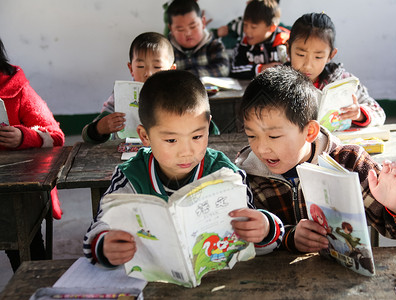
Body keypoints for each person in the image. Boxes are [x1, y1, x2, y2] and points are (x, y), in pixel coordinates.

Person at [83, 70, 283, 267]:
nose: (186, 152)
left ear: (208, 126)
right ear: (145, 136)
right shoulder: (130, 177)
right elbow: (96, 231)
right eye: (171, 140)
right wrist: (105, 246)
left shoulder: (226, 174)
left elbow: (253, 236)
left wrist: (265, 229)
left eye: (197, 136)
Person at [235, 66, 396, 254]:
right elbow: (239, 245)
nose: (261, 148)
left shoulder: (348, 163)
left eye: (273, 136)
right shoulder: (246, 175)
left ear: (310, 131)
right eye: (251, 135)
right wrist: (288, 237)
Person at [0, 37, 65, 271]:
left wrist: (24, 137)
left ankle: (34, 284)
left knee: (22, 244)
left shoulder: (15, 87)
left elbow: (55, 136)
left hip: (16, 193)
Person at [287, 12, 385, 127]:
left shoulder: (342, 81)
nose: (308, 65)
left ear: (331, 55)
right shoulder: (276, 81)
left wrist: (359, 114)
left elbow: (379, 113)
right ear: (288, 50)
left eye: (318, 57)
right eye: (300, 54)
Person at [81, 32, 176, 144]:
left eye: (157, 67)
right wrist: (99, 128)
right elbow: (87, 135)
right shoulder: (121, 96)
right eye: (140, 66)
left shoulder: (179, 96)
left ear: (171, 70)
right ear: (131, 69)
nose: (148, 73)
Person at [167, 0, 229, 77]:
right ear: (171, 29)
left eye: (193, 26)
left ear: (203, 22)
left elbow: (223, 69)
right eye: (180, 29)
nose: (188, 33)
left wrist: (188, 75)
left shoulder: (214, 45)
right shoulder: (166, 49)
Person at [229, 0, 290, 79]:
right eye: (245, 24)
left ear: (271, 27)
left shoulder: (286, 41)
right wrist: (261, 69)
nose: (247, 31)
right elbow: (234, 70)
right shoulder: (244, 43)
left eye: (253, 27)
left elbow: (296, 67)